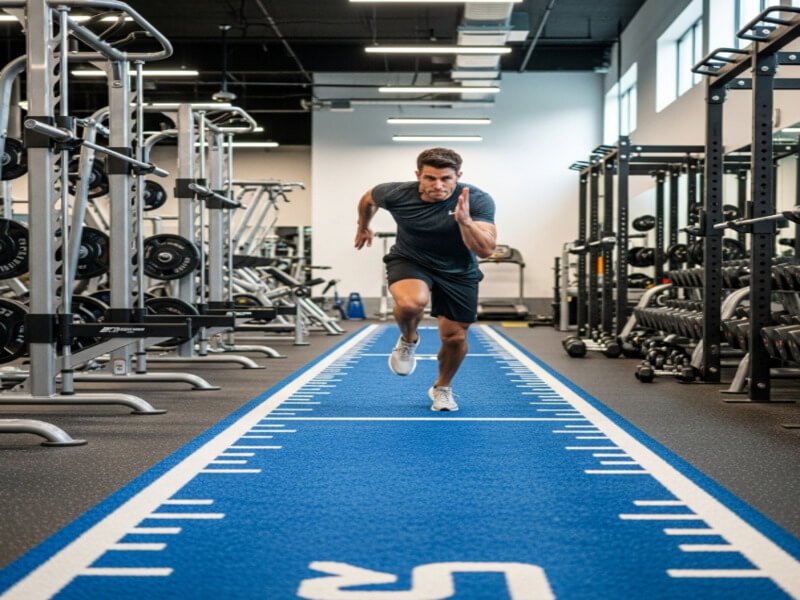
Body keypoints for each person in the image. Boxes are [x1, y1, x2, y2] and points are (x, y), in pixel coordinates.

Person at [354, 147, 497, 412]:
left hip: (458, 269)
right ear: (418, 175)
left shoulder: (476, 199)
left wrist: (466, 222)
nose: (438, 185)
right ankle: (408, 340)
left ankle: (441, 387)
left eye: (446, 179)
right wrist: (363, 226)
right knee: (411, 304)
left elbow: (486, 250)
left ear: (458, 177)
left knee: (454, 338)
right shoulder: (396, 193)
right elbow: (367, 199)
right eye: (430, 178)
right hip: (411, 260)